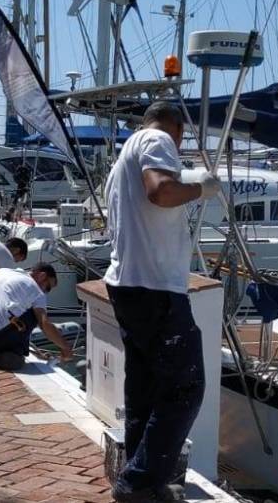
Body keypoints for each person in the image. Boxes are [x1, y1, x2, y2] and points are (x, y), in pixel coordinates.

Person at [102, 101, 220, 503]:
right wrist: (200, 188)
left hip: (127, 287)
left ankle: (140, 477)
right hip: (155, 289)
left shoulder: (121, 162)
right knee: (186, 387)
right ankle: (138, 482)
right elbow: (161, 191)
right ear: (178, 129)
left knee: (146, 389)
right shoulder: (156, 138)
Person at [0, 264, 73, 371]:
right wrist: (65, 348)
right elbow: (44, 324)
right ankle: (13, 353)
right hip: (1, 337)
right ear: (42, 276)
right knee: (35, 314)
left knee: (19, 310)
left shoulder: (1, 271)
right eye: (48, 287)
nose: (45, 292)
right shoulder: (36, 290)